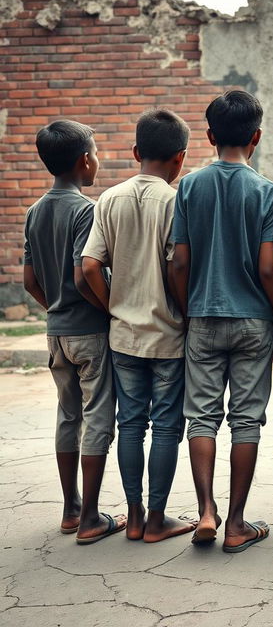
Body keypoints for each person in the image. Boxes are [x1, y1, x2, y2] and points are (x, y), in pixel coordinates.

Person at [171, 90, 273, 553]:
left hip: (202, 315)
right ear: (257, 137)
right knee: (246, 422)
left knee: (201, 418)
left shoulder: (189, 186)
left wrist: (186, 307)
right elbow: (267, 267)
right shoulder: (266, 191)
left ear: (211, 136)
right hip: (254, 319)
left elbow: (179, 262)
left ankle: (206, 512)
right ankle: (237, 522)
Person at [81, 109, 196, 543]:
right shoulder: (175, 201)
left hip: (123, 335)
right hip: (167, 334)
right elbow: (177, 267)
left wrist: (113, 306)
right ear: (180, 158)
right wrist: (182, 311)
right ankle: (156, 520)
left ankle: (131, 517)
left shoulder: (109, 198)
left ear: (134, 152)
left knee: (131, 423)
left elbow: (90, 265)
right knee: (166, 426)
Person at [24, 120, 125, 544]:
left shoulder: (35, 210)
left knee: (68, 415)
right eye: (96, 152)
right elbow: (85, 275)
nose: (98, 159)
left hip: (56, 333)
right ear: (85, 160)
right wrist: (110, 311)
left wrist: (57, 311)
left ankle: (70, 509)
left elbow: (30, 280)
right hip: (88, 331)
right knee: (98, 416)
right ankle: (91, 519)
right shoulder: (86, 209)